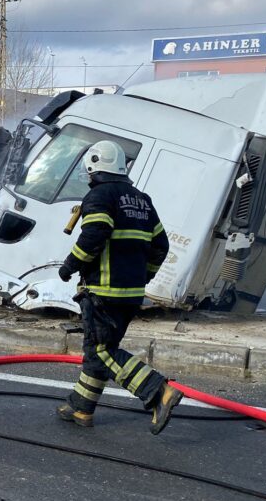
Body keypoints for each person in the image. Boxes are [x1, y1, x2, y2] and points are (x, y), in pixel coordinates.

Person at [56, 140, 183, 434]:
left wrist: (69, 266)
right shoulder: (142, 200)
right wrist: (143, 277)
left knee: (102, 351)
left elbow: (94, 236)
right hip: (130, 294)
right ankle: (80, 407)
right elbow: (161, 247)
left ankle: (158, 391)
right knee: (97, 350)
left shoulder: (99, 196)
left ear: (93, 169)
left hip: (103, 292)